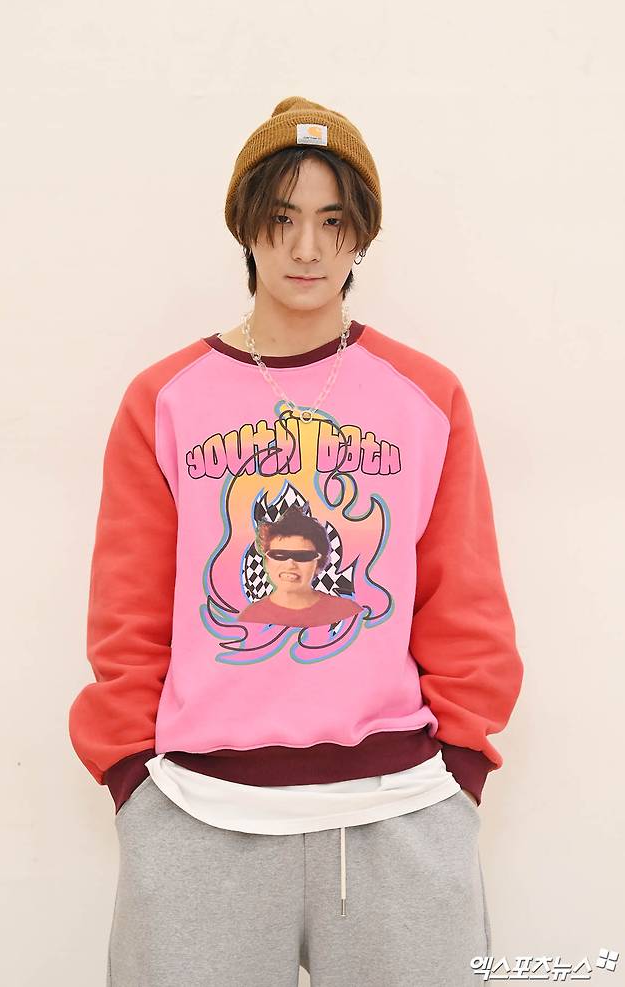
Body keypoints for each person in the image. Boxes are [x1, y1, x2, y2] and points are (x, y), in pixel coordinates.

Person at [69, 96, 524, 986]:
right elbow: (127, 613)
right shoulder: (164, 399)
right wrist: (133, 781)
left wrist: (460, 768)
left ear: (362, 235)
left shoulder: (426, 395)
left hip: (399, 812)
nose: (306, 248)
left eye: (331, 221)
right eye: (281, 220)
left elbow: (463, 599)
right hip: (198, 816)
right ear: (246, 227)